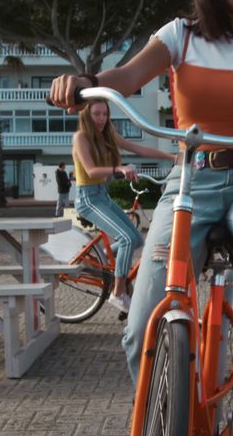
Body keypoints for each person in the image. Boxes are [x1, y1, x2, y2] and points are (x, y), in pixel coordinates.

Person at [50, 0, 233, 429]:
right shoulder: (181, 34)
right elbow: (128, 78)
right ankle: (165, 434)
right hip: (190, 182)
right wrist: (88, 84)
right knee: (143, 329)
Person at [71, 99, 176, 312]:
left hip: (103, 195)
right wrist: (119, 169)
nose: (101, 119)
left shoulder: (107, 135)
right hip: (88, 199)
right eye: (96, 114)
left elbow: (139, 149)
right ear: (86, 115)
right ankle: (118, 293)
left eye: (105, 114)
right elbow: (91, 171)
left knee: (137, 239)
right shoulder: (81, 137)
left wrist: (173, 157)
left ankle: (94, 259)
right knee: (126, 239)